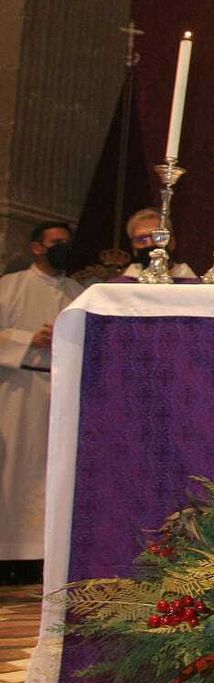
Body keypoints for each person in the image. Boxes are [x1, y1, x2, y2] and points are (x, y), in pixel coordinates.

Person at [0, 222, 83, 578]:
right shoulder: (9, 287)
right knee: (14, 472)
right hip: (18, 389)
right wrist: (27, 338)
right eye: (56, 242)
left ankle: (42, 556)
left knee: (52, 474)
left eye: (67, 242)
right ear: (37, 247)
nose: (63, 247)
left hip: (61, 392)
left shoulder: (77, 292)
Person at [119, 207, 198, 281]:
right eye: (141, 239)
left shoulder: (193, 285)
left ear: (172, 242)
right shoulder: (119, 287)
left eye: (157, 237)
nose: (149, 244)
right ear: (133, 247)